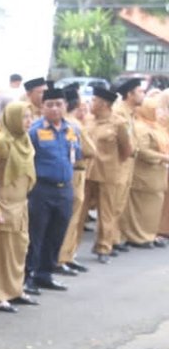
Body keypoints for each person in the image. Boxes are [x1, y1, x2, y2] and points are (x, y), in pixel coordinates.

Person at [25, 88, 82, 291]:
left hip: (64, 189)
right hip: (41, 189)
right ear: (42, 107)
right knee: (36, 234)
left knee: (57, 233)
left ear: (66, 106)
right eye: (50, 105)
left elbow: (76, 155)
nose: (55, 109)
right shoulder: (34, 131)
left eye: (59, 104)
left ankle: (45, 274)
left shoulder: (72, 130)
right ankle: (28, 276)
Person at [0, 102, 36, 313]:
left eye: (30, 116)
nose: (29, 121)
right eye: (24, 117)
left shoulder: (25, 140)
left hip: (20, 204)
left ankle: (15, 289)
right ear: (13, 118)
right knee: (0, 252)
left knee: (19, 248)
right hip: (3, 204)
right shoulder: (0, 142)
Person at [84, 87, 133, 263]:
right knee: (78, 213)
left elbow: (127, 150)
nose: (91, 103)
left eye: (94, 100)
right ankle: (67, 252)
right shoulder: (88, 120)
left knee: (106, 213)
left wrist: (111, 163)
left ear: (104, 104)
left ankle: (104, 247)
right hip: (87, 172)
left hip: (108, 174)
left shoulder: (119, 123)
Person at [120, 93, 169, 247]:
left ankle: (149, 235)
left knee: (152, 210)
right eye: (155, 109)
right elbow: (142, 151)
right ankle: (137, 237)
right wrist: (163, 157)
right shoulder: (141, 128)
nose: (159, 113)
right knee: (140, 209)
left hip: (157, 176)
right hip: (144, 175)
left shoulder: (156, 126)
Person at [57, 91, 95, 274]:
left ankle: (68, 256)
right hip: (75, 171)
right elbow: (90, 150)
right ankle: (62, 257)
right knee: (70, 219)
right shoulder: (74, 125)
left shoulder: (66, 124)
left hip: (72, 171)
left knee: (71, 218)